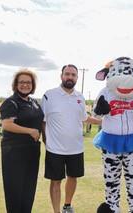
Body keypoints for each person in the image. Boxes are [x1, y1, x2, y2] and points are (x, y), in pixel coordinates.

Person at [41, 64, 101, 213]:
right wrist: (45, 139)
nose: (70, 77)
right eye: (67, 74)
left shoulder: (80, 97)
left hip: (76, 148)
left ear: (77, 78)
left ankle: (67, 205)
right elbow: (42, 120)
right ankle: (56, 211)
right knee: (55, 181)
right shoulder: (49, 95)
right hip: (55, 148)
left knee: (73, 177)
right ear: (61, 76)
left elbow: (84, 118)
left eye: (73, 75)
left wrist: (104, 121)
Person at [0, 69, 44, 213]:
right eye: (22, 82)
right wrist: (30, 131)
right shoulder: (11, 103)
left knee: (28, 189)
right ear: (16, 84)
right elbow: (7, 124)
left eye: (28, 82)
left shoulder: (34, 102)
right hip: (14, 152)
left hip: (32, 151)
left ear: (33, 85)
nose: (25, 85)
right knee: (15, 190)